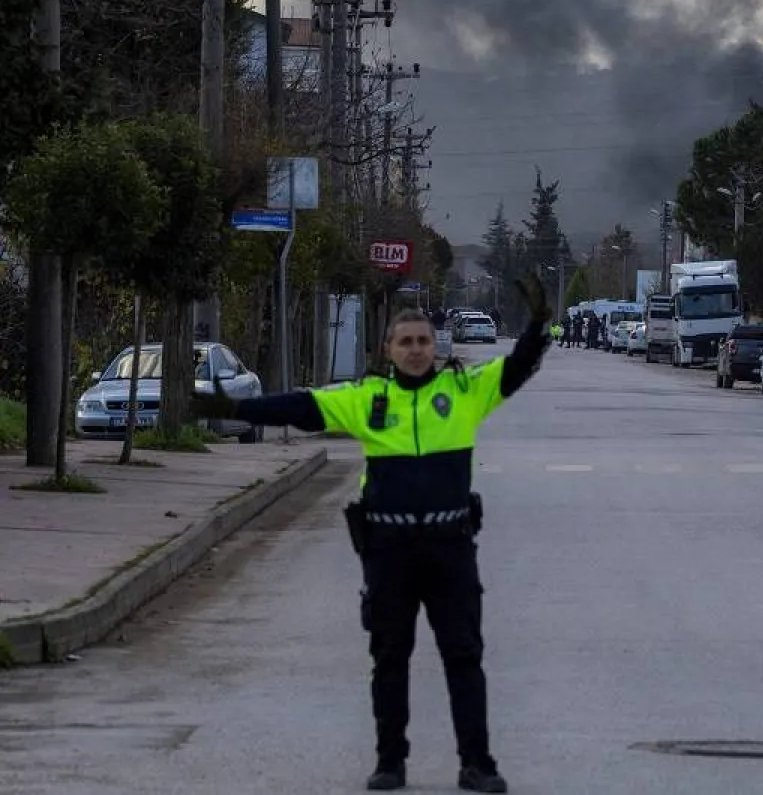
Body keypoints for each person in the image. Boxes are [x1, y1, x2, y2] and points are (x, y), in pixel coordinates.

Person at [189, 275, 555, 792]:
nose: (415, 350)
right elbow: (302, 407)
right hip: (389, 551)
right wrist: (235, 408)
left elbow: (517, 369)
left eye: (423, 341)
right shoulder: (367, 398)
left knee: (463, 656)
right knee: (389, 657)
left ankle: (477, 763)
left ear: (434, 346)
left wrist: (538, 324)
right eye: (404, 342)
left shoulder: (463, 390)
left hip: (450, 548)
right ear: (387, 350)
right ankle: (390, 762)